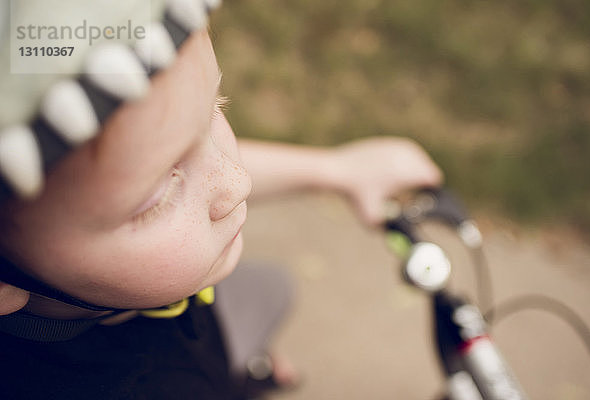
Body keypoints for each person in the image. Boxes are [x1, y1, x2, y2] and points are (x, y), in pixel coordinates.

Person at [0, 1, 442, 398]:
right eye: (155, 196)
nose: (236, 183)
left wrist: (334, 170)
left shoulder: (129, 245)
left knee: (273, 287)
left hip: (182, 315)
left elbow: (167, 149)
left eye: (214, 110)